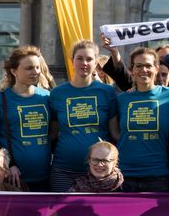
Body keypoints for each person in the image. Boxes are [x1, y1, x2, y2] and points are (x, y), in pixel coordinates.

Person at [48, 40, 120, 192]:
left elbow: (115, 133)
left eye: (89, 59)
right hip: (63, 169)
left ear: (95, 63)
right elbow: (53, 133)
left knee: (97, 214)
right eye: (80, 58)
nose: (84, 63)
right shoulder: (57, 94)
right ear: (72, 60)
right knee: (61, 213)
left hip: (99, 171)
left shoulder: (107, 92)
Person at [113, 47, 169, 192]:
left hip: (157, 175)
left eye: (148, 65)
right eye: (138, 66)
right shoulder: (122, 99)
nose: (144, 70)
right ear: (132, 70)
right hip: (124, 174)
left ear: (156, 68)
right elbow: (114, 131)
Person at [0, 45, 54, 191]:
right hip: (13, 178)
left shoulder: (46, 96)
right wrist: (9, 164)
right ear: (14, 71)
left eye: (37, 67)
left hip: (45, 175)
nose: (35, 72)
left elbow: (54, 131)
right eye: (29, 68)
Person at [69, 141, 142, 193]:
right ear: (89, 161)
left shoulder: (127, 188)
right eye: (95, 160)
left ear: (114, 163)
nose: (100, 164)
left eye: (105, 160)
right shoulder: (77, 186)